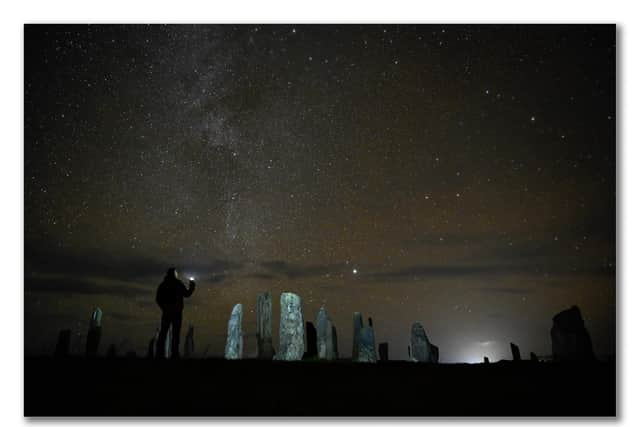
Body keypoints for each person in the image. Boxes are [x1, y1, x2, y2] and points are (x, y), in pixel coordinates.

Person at [155, 268, 195, 359]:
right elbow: (187, 294)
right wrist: (192, 286)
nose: (177, 274)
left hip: (168, 312)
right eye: (176, 273)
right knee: (175, 334)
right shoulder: (178, 284)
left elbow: (158, 299)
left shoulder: (163, 285)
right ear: (174, 274)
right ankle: (174, 354)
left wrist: (164, 308)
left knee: (164, 333)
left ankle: (160, 354)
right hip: (176, 313)